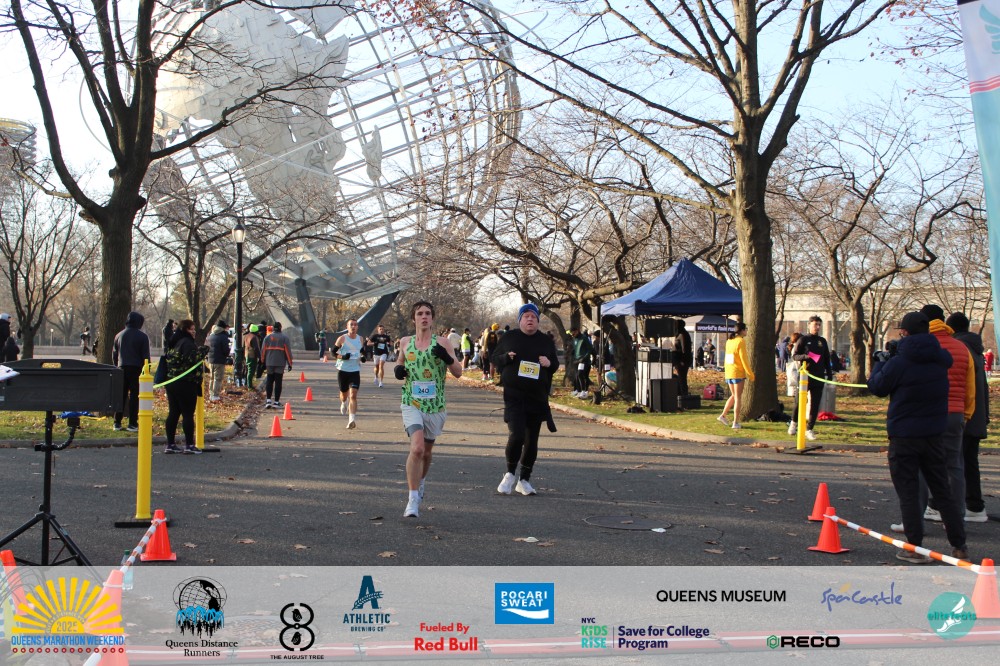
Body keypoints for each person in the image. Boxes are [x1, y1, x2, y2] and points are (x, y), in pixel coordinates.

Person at [868, 311, 969, 562]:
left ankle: (914, 546)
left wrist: (881, 362)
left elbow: (877, 387)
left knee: (909, 492)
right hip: (933, 433)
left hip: (904, 435)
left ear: (904, 332)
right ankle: (959, 545)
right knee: (942, 490)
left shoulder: (900, 362)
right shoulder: (939, 360)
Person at [394, 300, 463, 518]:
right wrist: (398, 370)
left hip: (435, 406)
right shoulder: (405, 342)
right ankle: (412, 498)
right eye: (419, 313)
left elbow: (458, 372)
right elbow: (400, 362)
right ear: (413, 319)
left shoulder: (443, 342)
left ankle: (421, 481)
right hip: (411, 402)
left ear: (432, 318)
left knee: (426, 452)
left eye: (427, 313)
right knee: (417, 448)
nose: (424, 317)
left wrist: (447, 358)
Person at [493, 303, 559, 496]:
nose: (530, 319)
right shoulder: (509, 337)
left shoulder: (545, 341)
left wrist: (548, 363)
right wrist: (506, 357)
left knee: (531, 440)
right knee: (517, 435)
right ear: (520, 320)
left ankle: (524, 480)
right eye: (526, 316)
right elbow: (494, 358)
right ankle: (509, 474)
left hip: (537, 397)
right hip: (514, 396)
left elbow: (554, 364)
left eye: (533, 317)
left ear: (538, 321)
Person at [919, 304, 975, 528]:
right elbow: (970, 388)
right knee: (954, 465)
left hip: (927, 413)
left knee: (920, 464)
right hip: (955, 412)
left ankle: (916, 516)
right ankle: (955, 516)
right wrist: (966, 413)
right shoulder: (962, 348)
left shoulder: (922, 345)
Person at [946, 312, 990, 522]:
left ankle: (950, 507)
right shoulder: (976, 349)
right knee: (969, 462)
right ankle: (975, 506)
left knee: (953, 463)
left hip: (963, 413)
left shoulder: (960, 349)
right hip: (977, 415)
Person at [163, 319, 207, 454]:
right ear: (185, 330)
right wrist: (203, 351)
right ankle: (189, 445)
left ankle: (170, 444)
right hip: (186, 383)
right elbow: (191, 360)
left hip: (171, 382)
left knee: (173, 413)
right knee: (187, 414)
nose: (193, 332)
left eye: (194, 329)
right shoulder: (187, 343)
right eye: (191, 329)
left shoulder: (174, 342)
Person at [789, 315, 832, 441]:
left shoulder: (822, 341)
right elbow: (795, 356)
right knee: (799, 401)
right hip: (805, 376)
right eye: (815, 325)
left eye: (819, 325)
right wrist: (807, 357)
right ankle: (794, 423)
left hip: (818, 376)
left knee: (815, 404)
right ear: (809, 325)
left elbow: (826, 358)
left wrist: (829, 374)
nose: (817, 327)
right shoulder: (803, 339)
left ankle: (809, 429)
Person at [111, 311, 151, 432]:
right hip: (136, 368)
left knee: (121, 396)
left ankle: (117, 422)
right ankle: (132, 423)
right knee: (135, 396)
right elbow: (146, 356)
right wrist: (147, 370)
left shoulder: (119, 335)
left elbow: (114, 354)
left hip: (121, 367)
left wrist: (117, 366)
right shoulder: (142, 337)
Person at [718, 322, 754, 430]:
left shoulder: (729, 341)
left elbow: (728, 358)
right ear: (742, 330)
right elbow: (744, 359)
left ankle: (723, 415)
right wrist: (750, 374)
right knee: (738, 398)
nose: (747, 331)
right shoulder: (740, 341)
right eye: (746, 329)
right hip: (738, 372)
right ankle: (735, 422)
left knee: (734, 396)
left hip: (729, 372)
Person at [333, 318, 365, 429]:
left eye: (355, 325)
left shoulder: (360, 339)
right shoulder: (342, 338)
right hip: (343, 370)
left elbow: (362, 351)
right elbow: (333, 352)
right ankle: (343, 402)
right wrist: (342, 356)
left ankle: (351, 420)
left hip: (355, 371)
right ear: (347, 327)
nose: (353, 327)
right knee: (344, 395)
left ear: (357, 327)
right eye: (351, 325)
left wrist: (363, 357)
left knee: (353, 395)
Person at [261, 321, 293, 408]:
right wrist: (290, 363)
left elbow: (263, 350)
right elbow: (288, 352)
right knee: (278, 382)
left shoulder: (267, 338)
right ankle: (276, 402)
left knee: (269, 381)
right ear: (280, 328)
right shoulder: (284, 338)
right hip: (280, 363)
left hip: (269, 362)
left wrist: (262, 361)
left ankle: (268, 400)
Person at [206, 320, 230, 402]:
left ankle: (211, 394)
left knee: (212, 378)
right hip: (219, 360)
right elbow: (226, 350)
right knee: (218, 378)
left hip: (210, 360)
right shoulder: (223, 337)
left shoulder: (211, 335)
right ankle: (215, 395)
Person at [570, 326, 594, 398]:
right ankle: (579, 390)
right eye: (571, 334)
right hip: (577, 360)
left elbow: (590, 349)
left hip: (584, 360)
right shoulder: (574, 339)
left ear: (577, 331)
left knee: (581, 374)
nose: (573, 335)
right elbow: (575, 348)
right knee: (577, 375)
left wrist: (584, 357)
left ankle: (584, 391)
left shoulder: (584, 338)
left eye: (573, 333)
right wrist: (572, 353)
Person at [672, 319, 693, 396]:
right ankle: (681, 393)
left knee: (682, 379)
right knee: (681, 378)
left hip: (682, 360)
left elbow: (685, 349)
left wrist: (683, 361)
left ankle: (684, 395)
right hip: (678, 359)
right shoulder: (678, 334)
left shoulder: (683, 335)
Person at [243, 324, 262, 389]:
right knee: (251, 370)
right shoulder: (254, 337)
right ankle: (249, 386)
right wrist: (260, 357)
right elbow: (256, 348)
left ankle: (247, 384)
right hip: (252, 355)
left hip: (246, 354)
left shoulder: (246, 336)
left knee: (248, 370)